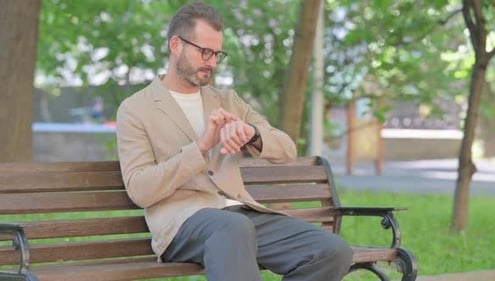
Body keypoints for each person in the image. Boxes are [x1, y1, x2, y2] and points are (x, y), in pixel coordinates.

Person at [116, 2, 352, 281]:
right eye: (205, 52)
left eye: (217, 54)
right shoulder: (135, 109)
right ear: (176, 45)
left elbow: (287, 149)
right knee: (233, 228)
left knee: (331, 250)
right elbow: (140, 190)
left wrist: (250, 132)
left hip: (241, 215)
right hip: (182, 224)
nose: (212, 63)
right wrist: (202, 147)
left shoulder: (228, 101)